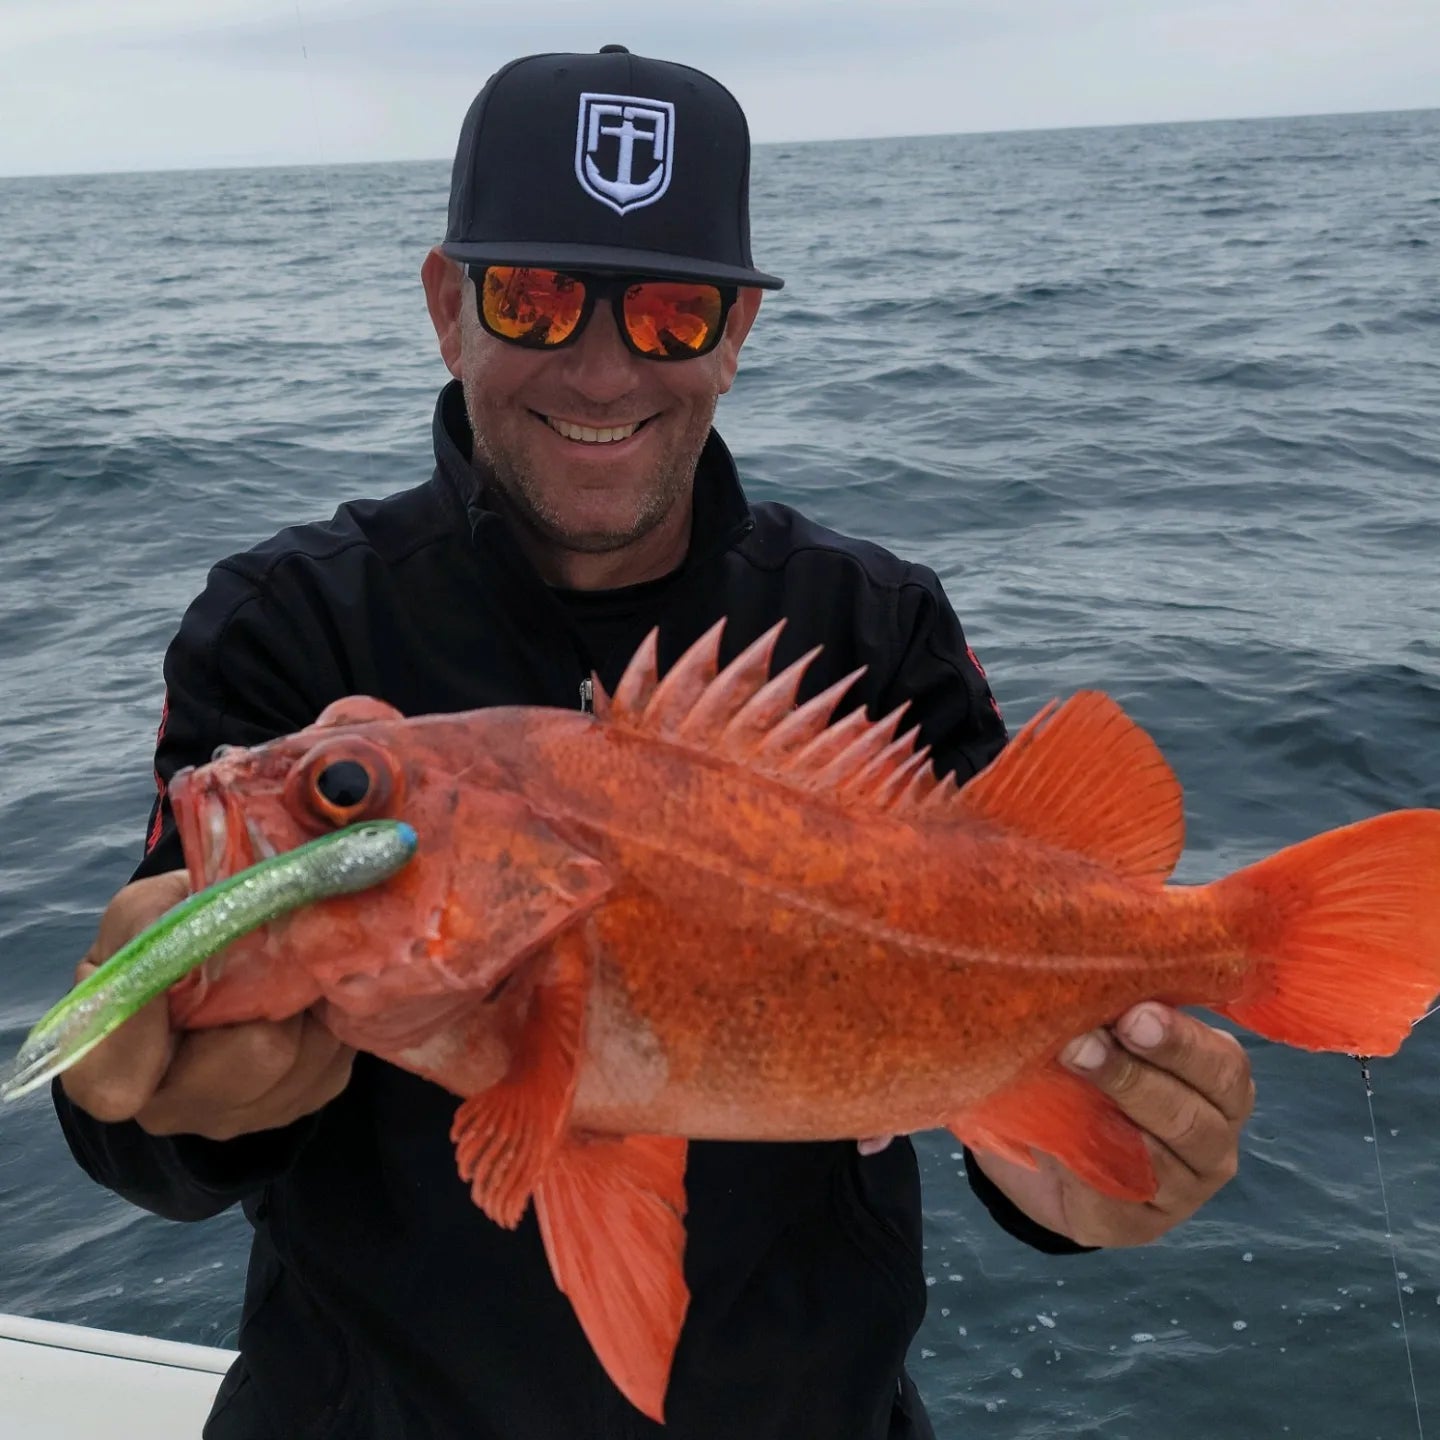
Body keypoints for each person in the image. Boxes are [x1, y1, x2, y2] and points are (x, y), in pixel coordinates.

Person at [52, 46, 1254, 1440]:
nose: (605, 365)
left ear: (738, 333)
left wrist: (1092, 1184)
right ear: (449, 307)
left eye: (673, 312)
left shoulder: (873, 625)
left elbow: (1010, 1061)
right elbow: (141, 1125)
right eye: (538, 297)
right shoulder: (285, 626)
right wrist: (168, 1108)